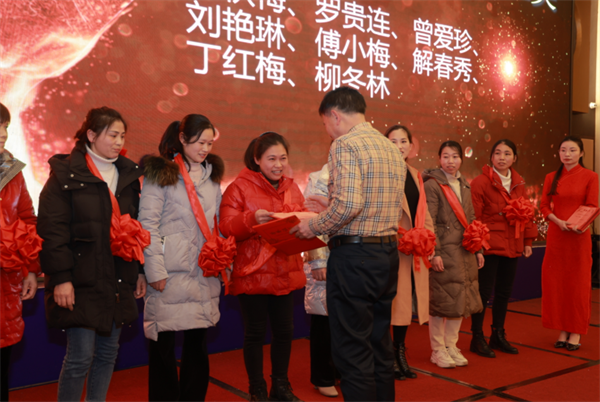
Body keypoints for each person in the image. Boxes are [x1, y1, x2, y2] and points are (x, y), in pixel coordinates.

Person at [292, 87, 406, 402]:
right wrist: (331, 206)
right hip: (386, 255)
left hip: (355, 258)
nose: (328, 131)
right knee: (379, 345)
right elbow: (370, 204)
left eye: (325, 124)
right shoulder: (390, 148)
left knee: (352, 351)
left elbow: (349, 206)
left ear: (335, 115)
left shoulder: (345, 144)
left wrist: (312, 225)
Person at [38, 106, 147, 402]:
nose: (118, 142)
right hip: (80, 280)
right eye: (112, 135)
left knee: (108, 353)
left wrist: (139, 270)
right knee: (80, 358)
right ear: (91, 134)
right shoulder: (65, 173)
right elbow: (52, 230)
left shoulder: (127, 175)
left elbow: (136, 227)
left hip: (117, 278)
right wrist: (61, 278)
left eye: (122, 136)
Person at [139, 114, 224, 402]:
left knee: (197, 343)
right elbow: (147, 226)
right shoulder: (161, 174)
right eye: (200, 142)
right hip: (169, 272)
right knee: (162, 343)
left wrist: (222, 260)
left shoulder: (212, 177)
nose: (205, 149)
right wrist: (154, 271)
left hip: (202, 271)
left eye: (209, 143)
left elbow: (217, 224)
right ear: (183, 139)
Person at [219, 132, 306, 402]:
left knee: (285, 332)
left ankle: (280, 385)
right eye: (271, 159)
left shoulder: (292, 187)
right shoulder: (239, 187)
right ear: (256, 159)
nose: (278, 165)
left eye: (283, 158)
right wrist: (252, 219)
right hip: (253, 271)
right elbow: (226, 226)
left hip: (285, 270)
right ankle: (256, 388)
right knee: (255, 333)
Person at [470, 140, 538, 357]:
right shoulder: (480, 182)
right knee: (483, 293)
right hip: (489, 246)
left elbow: (527, 213)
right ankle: (476, 337)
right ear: (491, 157)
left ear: (514, 158)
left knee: (504, 293)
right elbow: (474, 217)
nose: (502, 157)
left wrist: (528, 241)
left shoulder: (518, 183)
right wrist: (477, 246)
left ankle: (498, 335)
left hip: (512, 244)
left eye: (507, 153)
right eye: (497, 153)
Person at [423, 141, 484, 369]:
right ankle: (438, 349)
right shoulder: (432, 184)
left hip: (464, 250)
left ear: (461, 159)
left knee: (460, 300)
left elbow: (471, 218)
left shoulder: (465, 184)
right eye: (446, 156)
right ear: (439, 159)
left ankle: (451, 345)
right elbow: (429, 221)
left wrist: (478, 248)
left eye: (455, 156)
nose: (450, 161)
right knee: (441, 302)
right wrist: (435, 252)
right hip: (444, 251)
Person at [385, 125, 434, 380]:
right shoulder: (381, 172)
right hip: (392, 247)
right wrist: (399, 236)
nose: (399, 146)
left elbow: (423, 211)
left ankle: (399, 351)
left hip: (414, 248)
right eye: (393, 141)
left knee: (404, 304)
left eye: (403, 141)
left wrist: (428, 241)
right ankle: (389, 356)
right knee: (394, 303)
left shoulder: (415, 174)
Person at [540, 136, 598, 351]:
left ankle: (576, 330)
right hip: (557, 236)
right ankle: (562, 329)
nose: (567, 154)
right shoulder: (551, 177)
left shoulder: (591, 176)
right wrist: (558, 221)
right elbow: (544, 206)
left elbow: (592, 206)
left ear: (581, 153)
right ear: (558, 153)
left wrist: (575, 224)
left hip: (578, 237)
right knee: (557, 283)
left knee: (577, 284)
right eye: (563, 150)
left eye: (572, 150)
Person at [0, 102, 40, 402]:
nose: (3, 133)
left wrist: (31, 269)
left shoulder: (12, 172)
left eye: (4, 126)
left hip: (7, 283)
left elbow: (27, 221)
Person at [302, 165, 338, 398]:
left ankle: (338, 370)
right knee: (323, 321)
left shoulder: (353, 174)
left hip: (349, 258)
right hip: (325, 259)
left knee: (343, 320)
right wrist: (317, 260)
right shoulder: (320, 178)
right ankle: (322, 377)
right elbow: (312, 219)